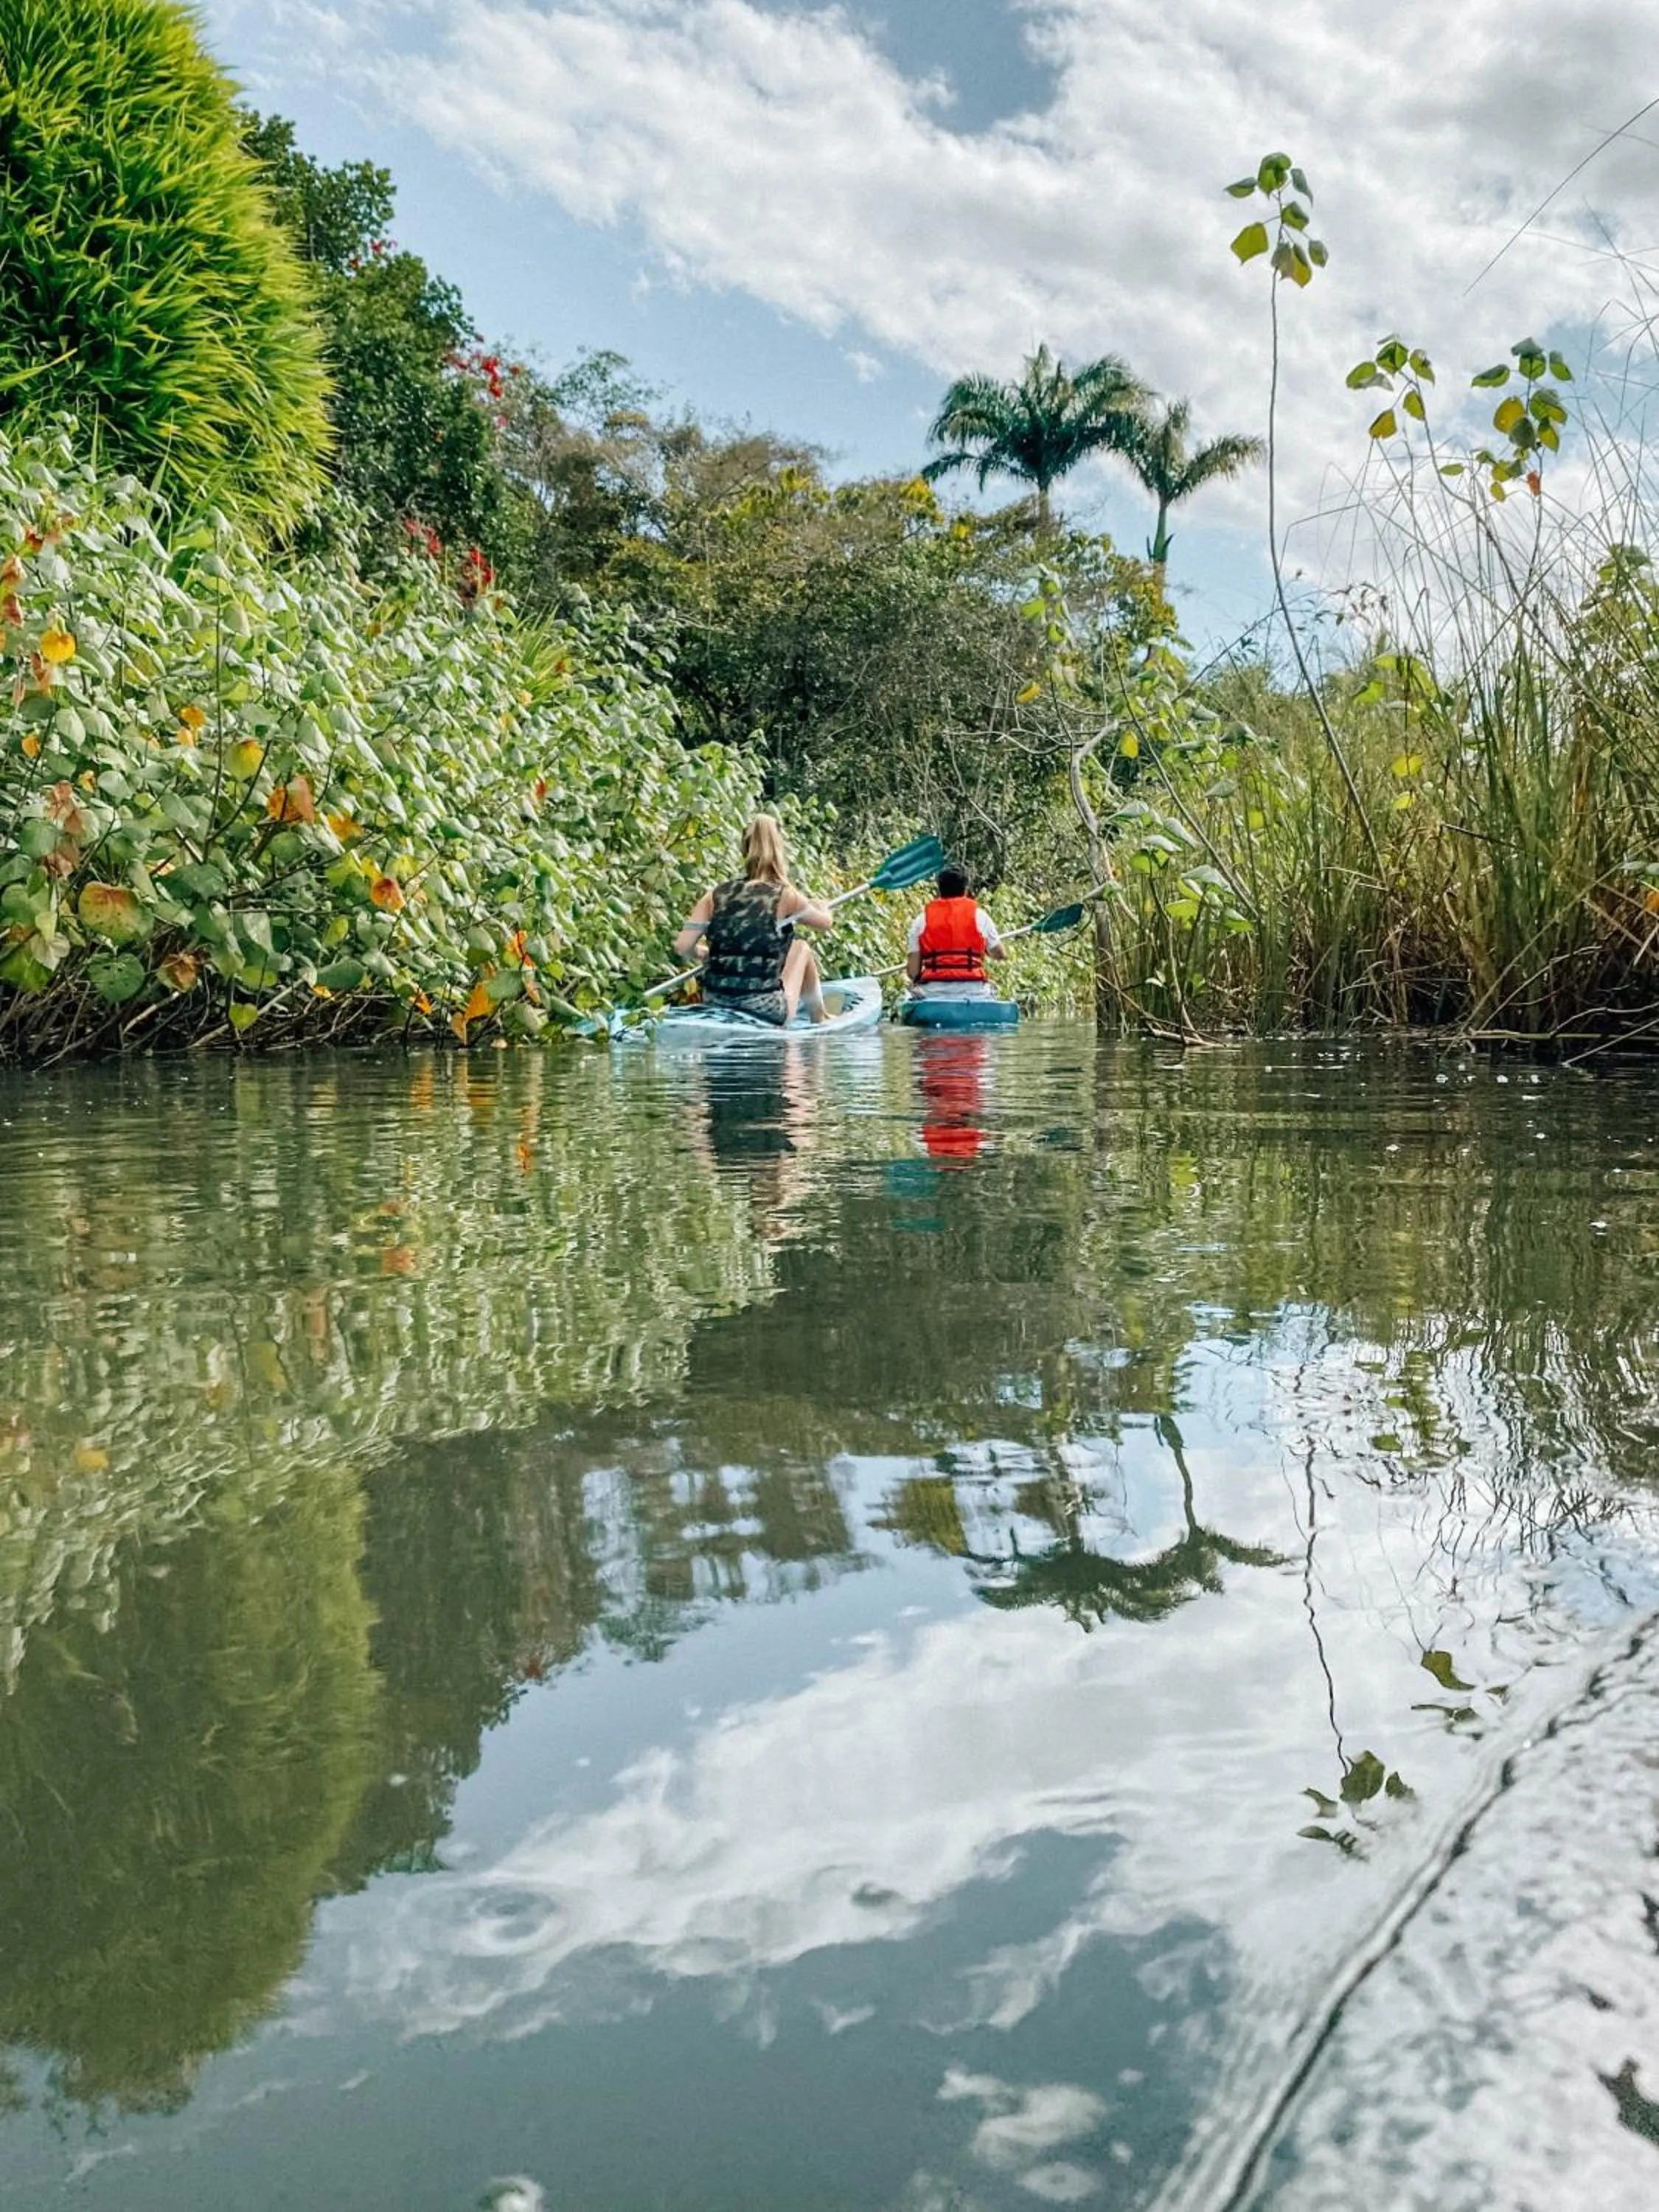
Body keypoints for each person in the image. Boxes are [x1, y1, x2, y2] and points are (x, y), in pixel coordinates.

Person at [675, 813, 832, 1025]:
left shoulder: (715, 894)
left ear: (744, 849)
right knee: (801, 948)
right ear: (779, 851)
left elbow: (682, 947)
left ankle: (818, 1016)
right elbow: (825, 923)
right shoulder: (786, 895)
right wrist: (822, 907)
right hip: (765, 1008)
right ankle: (819, 1017)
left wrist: (702, 952)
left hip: (715, 1002)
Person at [905, 864, 1006, 998]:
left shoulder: (921, 920)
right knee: (993, 987)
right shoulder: (980, 916)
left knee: (909, 994)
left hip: (933, 992)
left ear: (939, 890)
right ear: (965, 890)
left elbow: (913, 972)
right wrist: (985, 950)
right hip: (974, 991)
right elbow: (999, 954)